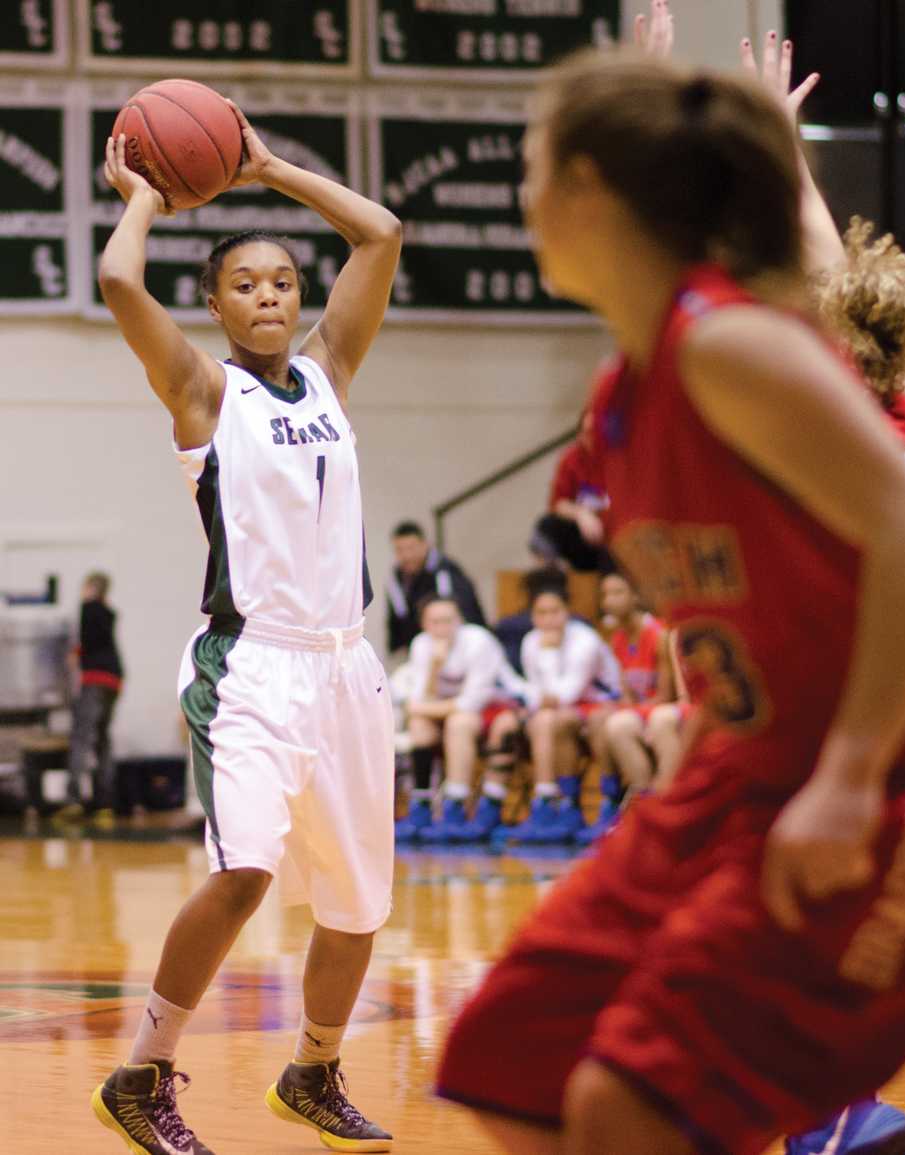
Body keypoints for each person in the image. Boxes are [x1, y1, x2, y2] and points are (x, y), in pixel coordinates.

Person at [436, 31, 905, 1155]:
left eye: (530, 167)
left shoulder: (734, 348)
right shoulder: (628, 385)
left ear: (587, 190)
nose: (522, 196)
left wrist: (850, 777)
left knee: (627, 1106)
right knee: (511, 1065)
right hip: (744, 770)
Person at [91, 102, 401, 1153]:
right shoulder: (201, 391)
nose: (266, 295)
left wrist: (269, 169)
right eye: (244, 284)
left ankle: (314, 1072)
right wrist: (141, 196)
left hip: (348, 670)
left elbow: (382, 232)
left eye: (280, 282)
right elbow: (121, 285)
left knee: (358, 906)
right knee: (247, 871)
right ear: (216, 305)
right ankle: (143, 1073)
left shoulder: (331, 373)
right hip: (252, 666)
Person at [491, 585, 621, 846]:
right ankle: (562, 805)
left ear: (567, 613)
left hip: (602, 705)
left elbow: (565, 694)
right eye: (541, 613)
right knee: (538, 721)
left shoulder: (586, 640)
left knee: (548, 720)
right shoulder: (530, 641)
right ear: (533, 617)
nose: (548, 619)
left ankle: (554, 802)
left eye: (555, 612)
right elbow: (537, 692)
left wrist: (548, 655)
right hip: (561, 712)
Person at [396, 596, 531, 844]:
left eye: (448, 620)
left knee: (459, 722)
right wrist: (435, 667)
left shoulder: (479, 641)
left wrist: (421, 707)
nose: (442, 628)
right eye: (434, 622)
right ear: (424, 625)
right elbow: (420, 698)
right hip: (453, 711)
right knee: (419, 725)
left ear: (460, 621)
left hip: (500, 704)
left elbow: (470, 702)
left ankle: (456, 806)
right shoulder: (422, 644)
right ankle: (422, 805)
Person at [579, 570, 675, 844]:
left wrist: (632, 711)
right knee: (599, 718)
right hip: (640, 710)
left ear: (636, 596)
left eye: (617, 593)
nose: (608, 600)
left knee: (615, 723)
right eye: (605, 594)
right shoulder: (618, 638)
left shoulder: (659, 635)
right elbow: (627, 694)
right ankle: (611, 799)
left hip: (661, 709)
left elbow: (667, 695)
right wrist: (627, 707)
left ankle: (645, 804)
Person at [62, 571, 123, 822]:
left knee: (81, 737)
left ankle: (73, 801)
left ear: (90, 587)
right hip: (114, 678)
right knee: (103, 740)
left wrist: (75, 654)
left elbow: (87, 641)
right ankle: (105, 803)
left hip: (95, 678)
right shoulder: (109, 612)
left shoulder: (87, 607)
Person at [530, 410, 613, 571]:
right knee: (547, 526)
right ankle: (548, 581)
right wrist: (581, 514)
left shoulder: (621, 460)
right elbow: (558, 503)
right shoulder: (572, 458)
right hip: (584, 537)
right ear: (580, 434)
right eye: (588, 432)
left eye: (597, 432)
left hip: (614, 538)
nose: (593, 438)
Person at [386, 521, 486, 655]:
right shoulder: (396, 579)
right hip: (420, 647)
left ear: (424, 545)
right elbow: (396, 618)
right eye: (399, 550)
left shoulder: (446, 571)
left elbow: (462, 611)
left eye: (411, 548)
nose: (406, 556)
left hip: (456, 645)